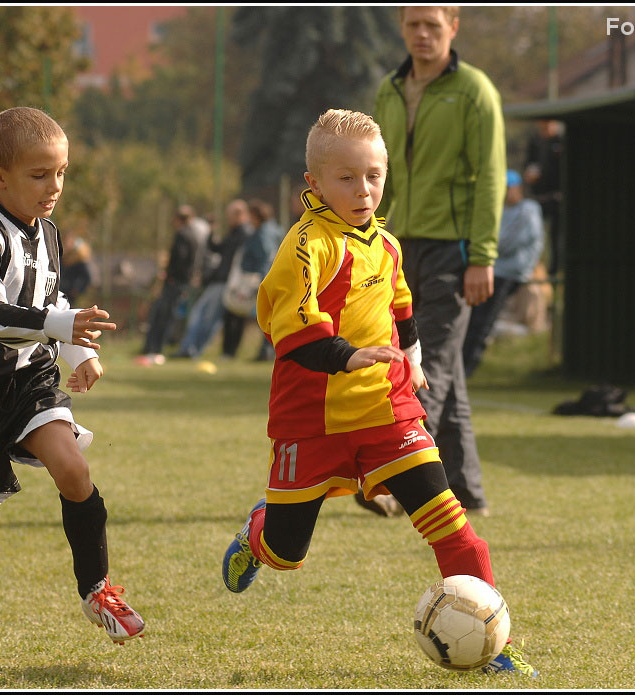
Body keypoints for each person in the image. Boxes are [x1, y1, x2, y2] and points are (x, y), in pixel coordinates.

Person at [219, 109, 535, 678]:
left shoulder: (386, 244)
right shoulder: (306, 246)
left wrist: (412, 360)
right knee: (287, 553)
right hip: (310, 420)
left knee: (458, 533)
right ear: (314, 183)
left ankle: (491, 644)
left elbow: (401, 304)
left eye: (374, 176)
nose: (363, 189)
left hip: (389, 410)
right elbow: (293, 331)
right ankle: (258, 533)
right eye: (347, 178)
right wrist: (348, 355)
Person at [0, 107, 145, 662]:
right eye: (40, 174)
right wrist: (58, 326)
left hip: (29, 380)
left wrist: (78, 351)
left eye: (62, 173)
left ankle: (97, 590)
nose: (55, 187)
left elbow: (49, 301)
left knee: (74, 469)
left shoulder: (48, 233)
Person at [374, 5, 506, 516]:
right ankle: (467, 491)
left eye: (433, 24)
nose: (422, 34)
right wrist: (367, 239)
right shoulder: (389, 90)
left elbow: (491, 177)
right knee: (443, 370)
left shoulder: (475, 91)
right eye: (414, 24)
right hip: (398, 246)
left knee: (423, 366)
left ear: (453, 27)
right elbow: (378, 173)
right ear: (402, 28)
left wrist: (483, 256)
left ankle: (393, 480)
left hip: (454, 249)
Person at [462, 170, 544, 378]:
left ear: (517, 188)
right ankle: (461, 366)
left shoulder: (528, 209)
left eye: (508, 188)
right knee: (472, 320)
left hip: (508, 273)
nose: (504, 193)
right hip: (490, 269)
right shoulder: (498, 210)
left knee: (483, 322)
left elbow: (507, 242)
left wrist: (483, 246)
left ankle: (468, 368)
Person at [173, 199, 253, 359]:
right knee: (205, 316)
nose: (228, 219)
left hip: (226, 282)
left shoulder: (244, 233)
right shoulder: (235, 232)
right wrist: (211, 231)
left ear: (239, 215)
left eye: (230, 215)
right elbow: (218, 248)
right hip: (219, 280)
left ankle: (191, 350)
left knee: (206, 316)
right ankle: (191, 349)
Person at [136, 205, 211, 365]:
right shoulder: (193, 236)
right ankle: (156, 349)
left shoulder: (182, 235)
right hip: (182, 281)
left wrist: (170, 275)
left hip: (174, 282)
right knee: (168, 315)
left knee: (163, 315)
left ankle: (155, 348)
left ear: (178, 219)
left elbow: (181, 259)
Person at [222, 198, 284, 360]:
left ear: (256, 216)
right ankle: (266, 351)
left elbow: (266, 257)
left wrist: (263, 281)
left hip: (263, 278)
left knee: (265, 317)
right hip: (271, 277)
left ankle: (267, 352)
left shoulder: (263, 233)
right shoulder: (274, 229)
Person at [523, 119, 563, 276]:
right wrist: (529, 175)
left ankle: (554, 273)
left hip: (557, 199)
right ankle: (534, 270)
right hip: (538, 198)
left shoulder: (561, 141)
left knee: (556, 239)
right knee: (534, 236)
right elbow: (528, 166)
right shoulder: (535, 141)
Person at [60, 231, 94, 307]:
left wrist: (76, 289)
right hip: (60, 291)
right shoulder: (62, 258)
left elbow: (86, 278)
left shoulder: (79, 260)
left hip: (69, 293)